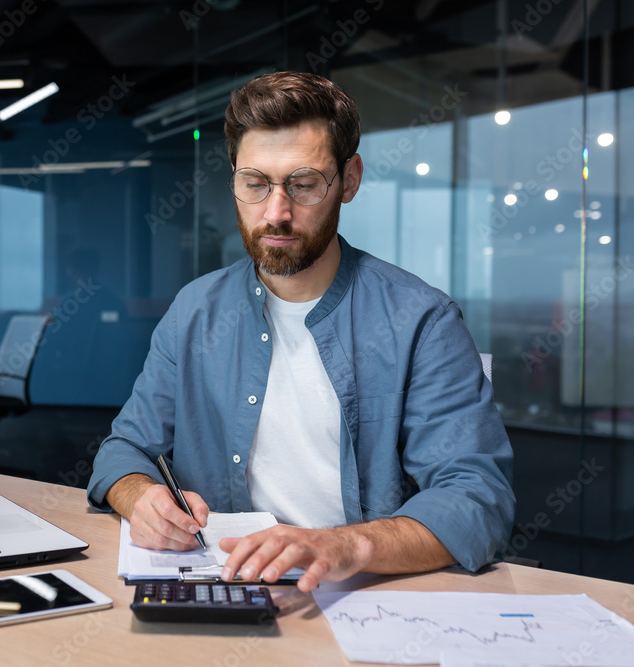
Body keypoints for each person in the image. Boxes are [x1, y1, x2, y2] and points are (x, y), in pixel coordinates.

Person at [86, 71, 515, 593]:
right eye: (255, 183)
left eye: (304, 184)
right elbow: (125, 447)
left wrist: (343, 545)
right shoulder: (194, 310)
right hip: (219, 584)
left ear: (349, 180)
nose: (276, 212)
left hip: (357, 592)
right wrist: (140, 498)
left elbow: (476, 499)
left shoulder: (422, 320)